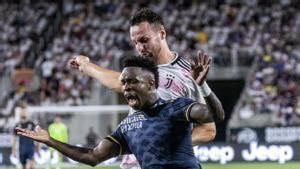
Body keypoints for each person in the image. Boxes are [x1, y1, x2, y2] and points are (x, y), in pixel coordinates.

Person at [69, 8, 224, 168]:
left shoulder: (187, 73)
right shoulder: (140, 72)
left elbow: (208, 129)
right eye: (135, 42)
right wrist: (86, 66)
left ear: (162, 34)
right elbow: (117, 81)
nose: (140, 48)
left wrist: (162, 146)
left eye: (144, 40)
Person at [16, 57, 222, 169]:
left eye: (133, 81)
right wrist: (50, 140)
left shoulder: (177, 108)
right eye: (123, 82)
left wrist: (202, 88)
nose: (126, 87)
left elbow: (215, 115)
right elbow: (92, 156)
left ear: (152, 83)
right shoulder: (128, 126)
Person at [12, 104, 40, 169]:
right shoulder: (17, 125)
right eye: (22, 111)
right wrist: (13, 150)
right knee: (24, 166)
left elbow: (38, 137)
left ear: (27, 112)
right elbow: (14, 138)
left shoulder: (32, 124)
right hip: (21, 150)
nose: (23, 112)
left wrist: (38, 149)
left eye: (25, 111)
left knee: (31, 165)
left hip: (31, 149)